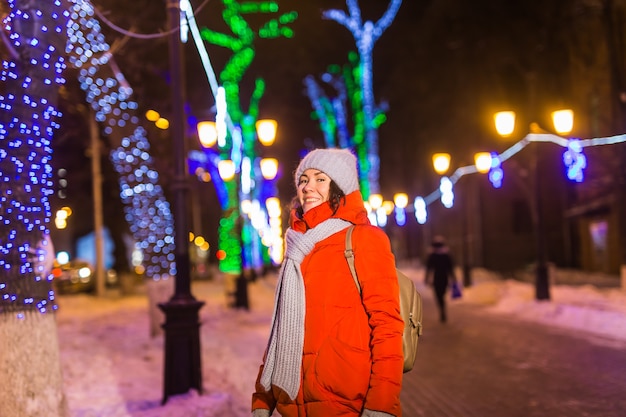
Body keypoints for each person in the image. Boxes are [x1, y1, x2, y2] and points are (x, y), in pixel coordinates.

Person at [251, 148, 404, 416]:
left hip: (347, 404)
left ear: (339, 187)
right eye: (303, 180)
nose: (308, 187)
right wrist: (262, 400)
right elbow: (281, 327)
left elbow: (387, 326)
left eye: (320, 179)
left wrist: (381, 404)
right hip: (292, 405)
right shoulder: (298, 247)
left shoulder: (364, 240)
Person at [424, 236, 457, 323]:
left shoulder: (432, 256)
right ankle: (443, 309)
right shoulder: (446, 255)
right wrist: (453, 278)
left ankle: (442, 309)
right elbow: (450, 269)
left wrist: (427, 278)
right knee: (442, 294)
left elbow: (429, 268)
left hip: (436, 278)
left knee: (438, 295)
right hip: (444, 278)